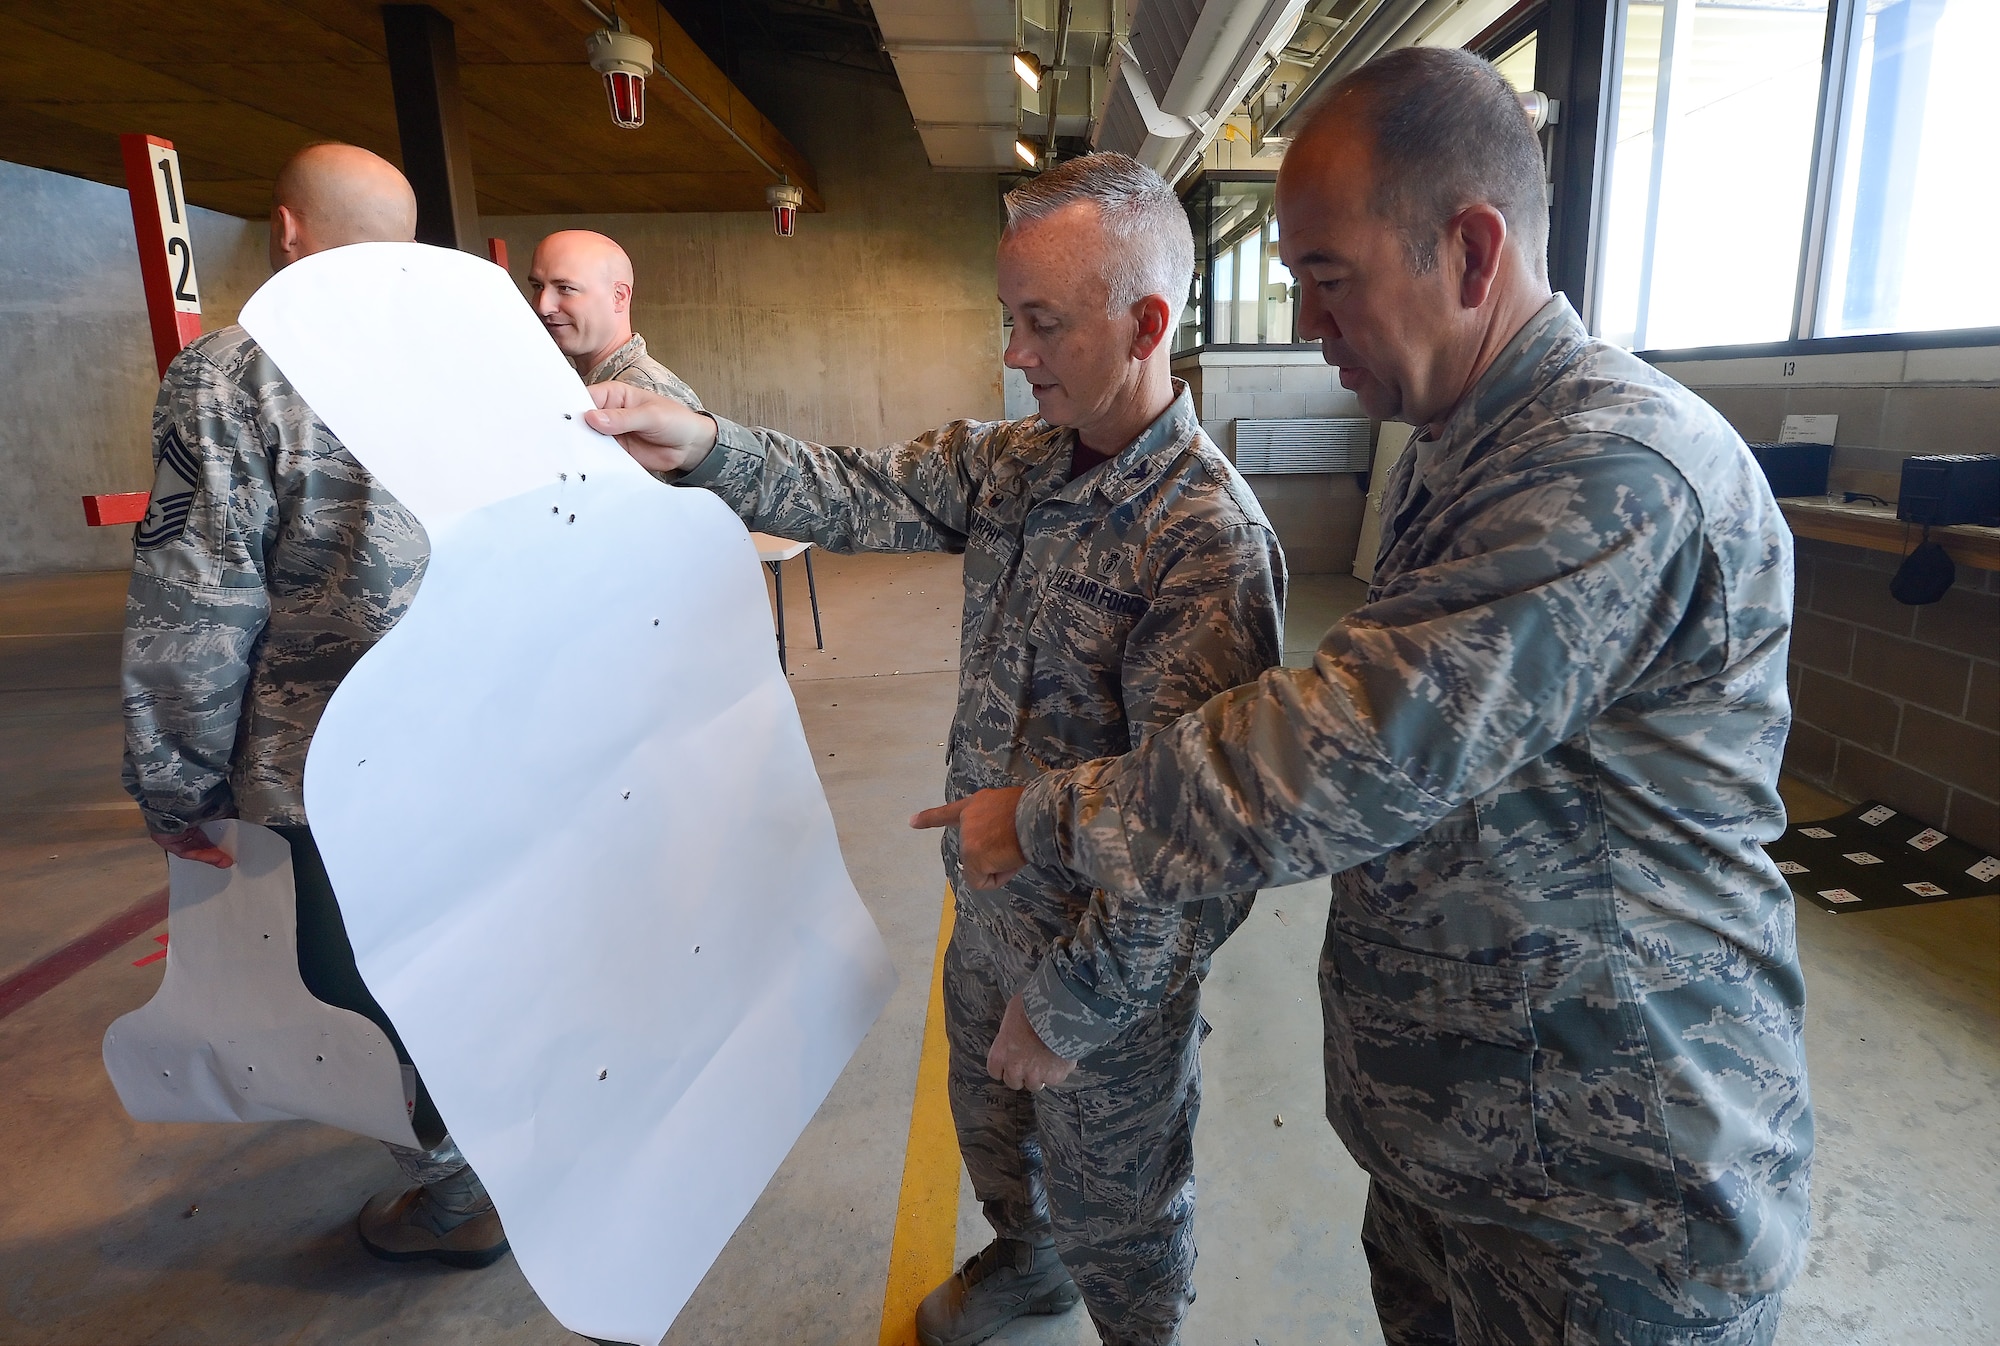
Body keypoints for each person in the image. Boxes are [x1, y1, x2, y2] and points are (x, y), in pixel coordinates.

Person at [920, 48, 1811, 1346]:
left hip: (1613, 1185)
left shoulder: (1610, 467)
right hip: (1468, 1145)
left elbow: (1342, 753)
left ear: (1470, 249)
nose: (1313, 321)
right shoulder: (1469, 451)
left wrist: (1043, 816)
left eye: (1329, 282)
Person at [584, 154, 1286, 1346]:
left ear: (1145, 322)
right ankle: (1027, 1262)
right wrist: (700, 441)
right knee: (993, 1132)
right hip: (988, 906)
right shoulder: (1017, 466)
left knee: (1121, 1203)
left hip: (1102, 960)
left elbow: (1198, 851)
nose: (1015, 352)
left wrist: (1065, 1006)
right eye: (1006, 317)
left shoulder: (1202, 540)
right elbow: (855, 488)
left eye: (1042, 324)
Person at [121, 142, 508, 1270]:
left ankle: (455, 1187)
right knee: (475, 949)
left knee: (351, 977)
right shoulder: (486, 363)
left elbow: (193, 604)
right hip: (498, 740)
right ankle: (528, 1131)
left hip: (332, 760)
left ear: (286, 230)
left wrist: (175, 781)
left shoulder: (236, 372)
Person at [528, 228, 702, 407]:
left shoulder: (648, 396)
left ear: (619, 296)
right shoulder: (574, 383)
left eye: (565, 288)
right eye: (537, 286)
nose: (543, 307)